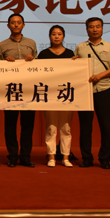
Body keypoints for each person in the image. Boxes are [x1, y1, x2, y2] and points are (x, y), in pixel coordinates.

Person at [75, 17, 110, 170]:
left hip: (103, 90)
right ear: (86, 29)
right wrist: (73, 62)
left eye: (98, 26)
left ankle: (105, 159)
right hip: (85, 92)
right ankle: (86, 158)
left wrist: (100, 76)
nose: (95, 29)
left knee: (106, 127)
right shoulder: (80, 47)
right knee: (85, 128)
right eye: (91, 27)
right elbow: (75, 66)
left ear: (102, 28)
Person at [0, 13, 38, 168]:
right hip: (10, 90)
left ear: (23, 25)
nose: (16, 25)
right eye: (13, 23)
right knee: (10, 126)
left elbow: (38, 66)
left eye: (18, 22)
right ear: (8, 26)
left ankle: (26, 157)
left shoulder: (31, 43)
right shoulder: (2, 45)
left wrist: (32, 60)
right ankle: (13, 156)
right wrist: (5, 62)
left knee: (27, 126)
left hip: (28, 89)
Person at [37, 25, 75, 167]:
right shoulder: (43, 54)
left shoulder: (70, 54)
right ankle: (51, 156)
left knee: (66, 128)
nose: (56, 36)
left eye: (59, 34)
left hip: (66, 95)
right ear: (49, 36)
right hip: (50, 95)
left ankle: (66, 157)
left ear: (63, 36)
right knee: (51, 128)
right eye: (54, 34)